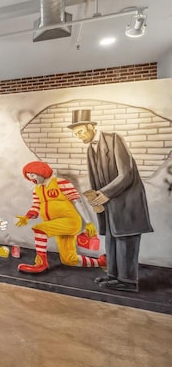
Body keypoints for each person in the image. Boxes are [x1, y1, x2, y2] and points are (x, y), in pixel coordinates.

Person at [68, 109, 153, 292]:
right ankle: (113, 275)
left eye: (81, 131)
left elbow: (126, 173)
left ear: (91, 126)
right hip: (108, 203)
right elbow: (97, 179)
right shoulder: (91, 149)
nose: (79, 136)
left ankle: (128, 281)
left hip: (126, 201)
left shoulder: (114, 139)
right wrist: (96, 197)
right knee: (112, 240)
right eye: (76, 134)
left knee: (125, 239)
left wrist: (104, 193)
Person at [15, 161, 106, 273]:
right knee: (69, 259)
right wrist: (27, 217)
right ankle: (101, 262)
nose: (31, 179)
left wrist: (88, 222)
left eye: (32, 175)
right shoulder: (37, 190)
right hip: (57, 225)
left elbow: (77, 202)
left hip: (70, 221)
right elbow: (36, 207)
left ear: (41, 172)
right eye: (28, 177)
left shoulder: (61, 183)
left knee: (39, 229)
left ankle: (41, 263)